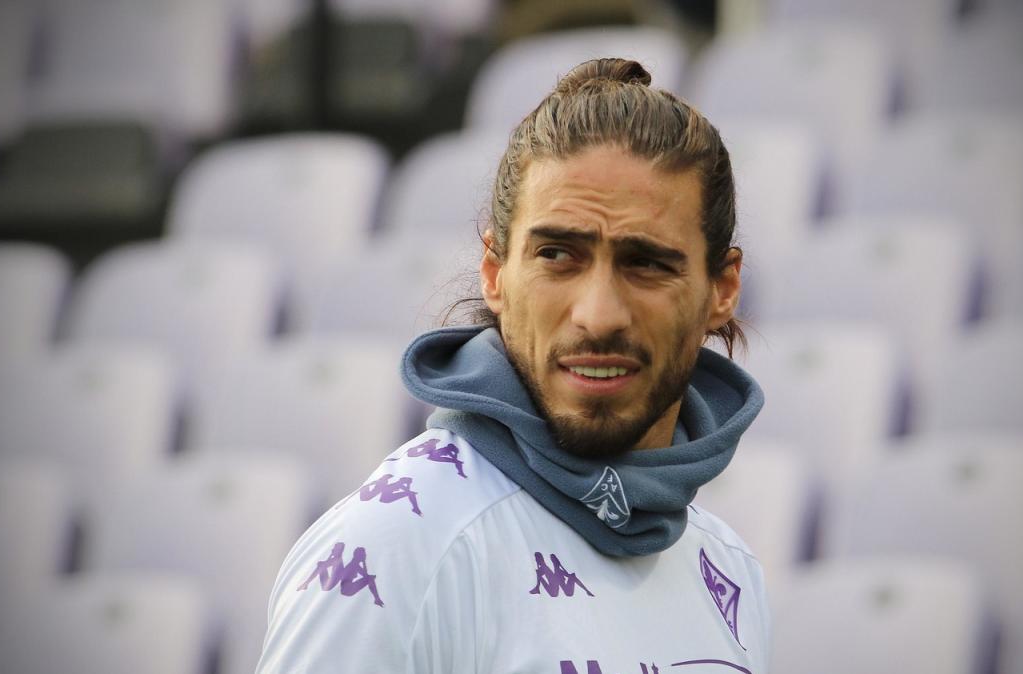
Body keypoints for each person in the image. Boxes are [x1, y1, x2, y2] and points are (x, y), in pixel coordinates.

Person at [256, 58, 768, 673]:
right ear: (495, 273)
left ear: (722, 288)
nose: (598, 316)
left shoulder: (730, 568)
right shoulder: (393, 549)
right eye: (557, 255)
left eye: (647, 264)